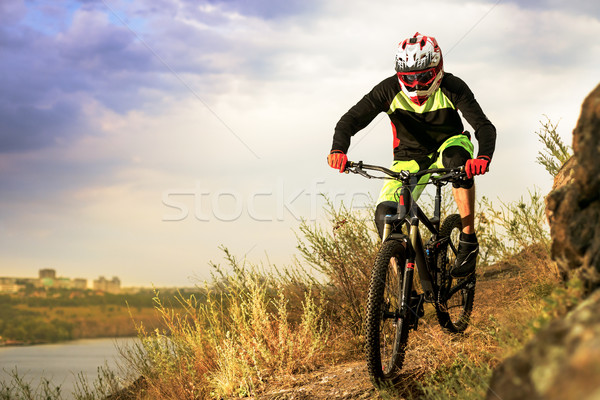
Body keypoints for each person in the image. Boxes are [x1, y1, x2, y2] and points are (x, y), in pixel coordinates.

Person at [327, 32, 496, 277]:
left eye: (424, 76)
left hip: (449, 144)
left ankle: (468, 240)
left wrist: (483, 157)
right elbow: (349, 121)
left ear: (438, 68)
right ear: (399, 75)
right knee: (385, 215)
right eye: (409, 78)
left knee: (457, 162)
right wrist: (338, 149)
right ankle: (404, 290)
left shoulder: (452, 86)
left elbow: (483, 126)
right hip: (408, 158)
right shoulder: (388, 90)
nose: (416, 84)